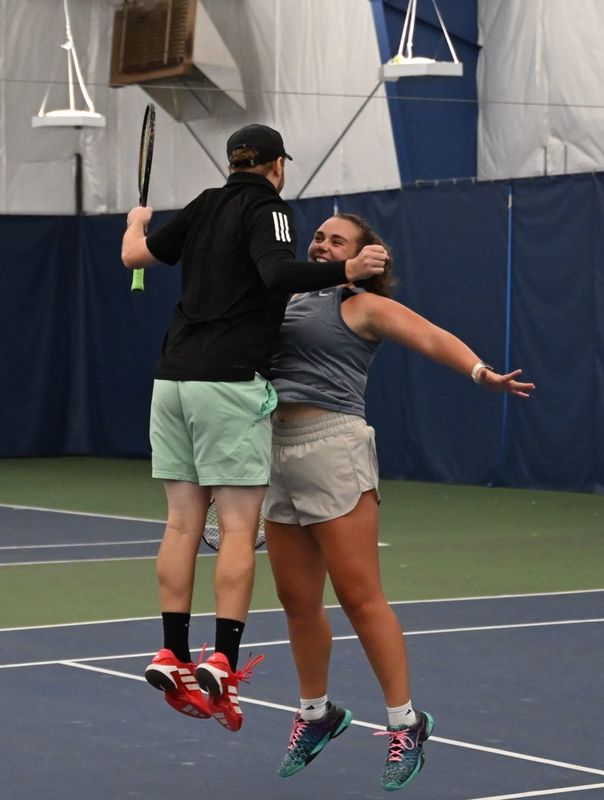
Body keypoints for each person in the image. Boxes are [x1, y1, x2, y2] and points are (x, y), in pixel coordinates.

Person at [120, 127, 387, 733]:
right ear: (276, 166)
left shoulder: (203, 204)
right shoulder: (271, 209)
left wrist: (136, 224)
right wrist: (346, 267)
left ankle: (171, 652)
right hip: (229, 382)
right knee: (239, 528)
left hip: (171, 382)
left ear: (232, 162)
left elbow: (134, 256)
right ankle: (221, 660)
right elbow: (275, 274)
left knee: (181, 524)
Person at [262, 212, 535, 788]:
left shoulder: (362, 306)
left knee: (360, 597)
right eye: (319, 236)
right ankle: (316, 713)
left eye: (337, 240)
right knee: (296, 598)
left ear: (362, 256)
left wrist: (481, 373)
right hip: (275, 451)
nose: (322, 244)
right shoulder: (284, 298)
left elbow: (430, 335)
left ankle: (406, 724)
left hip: (333, 446)